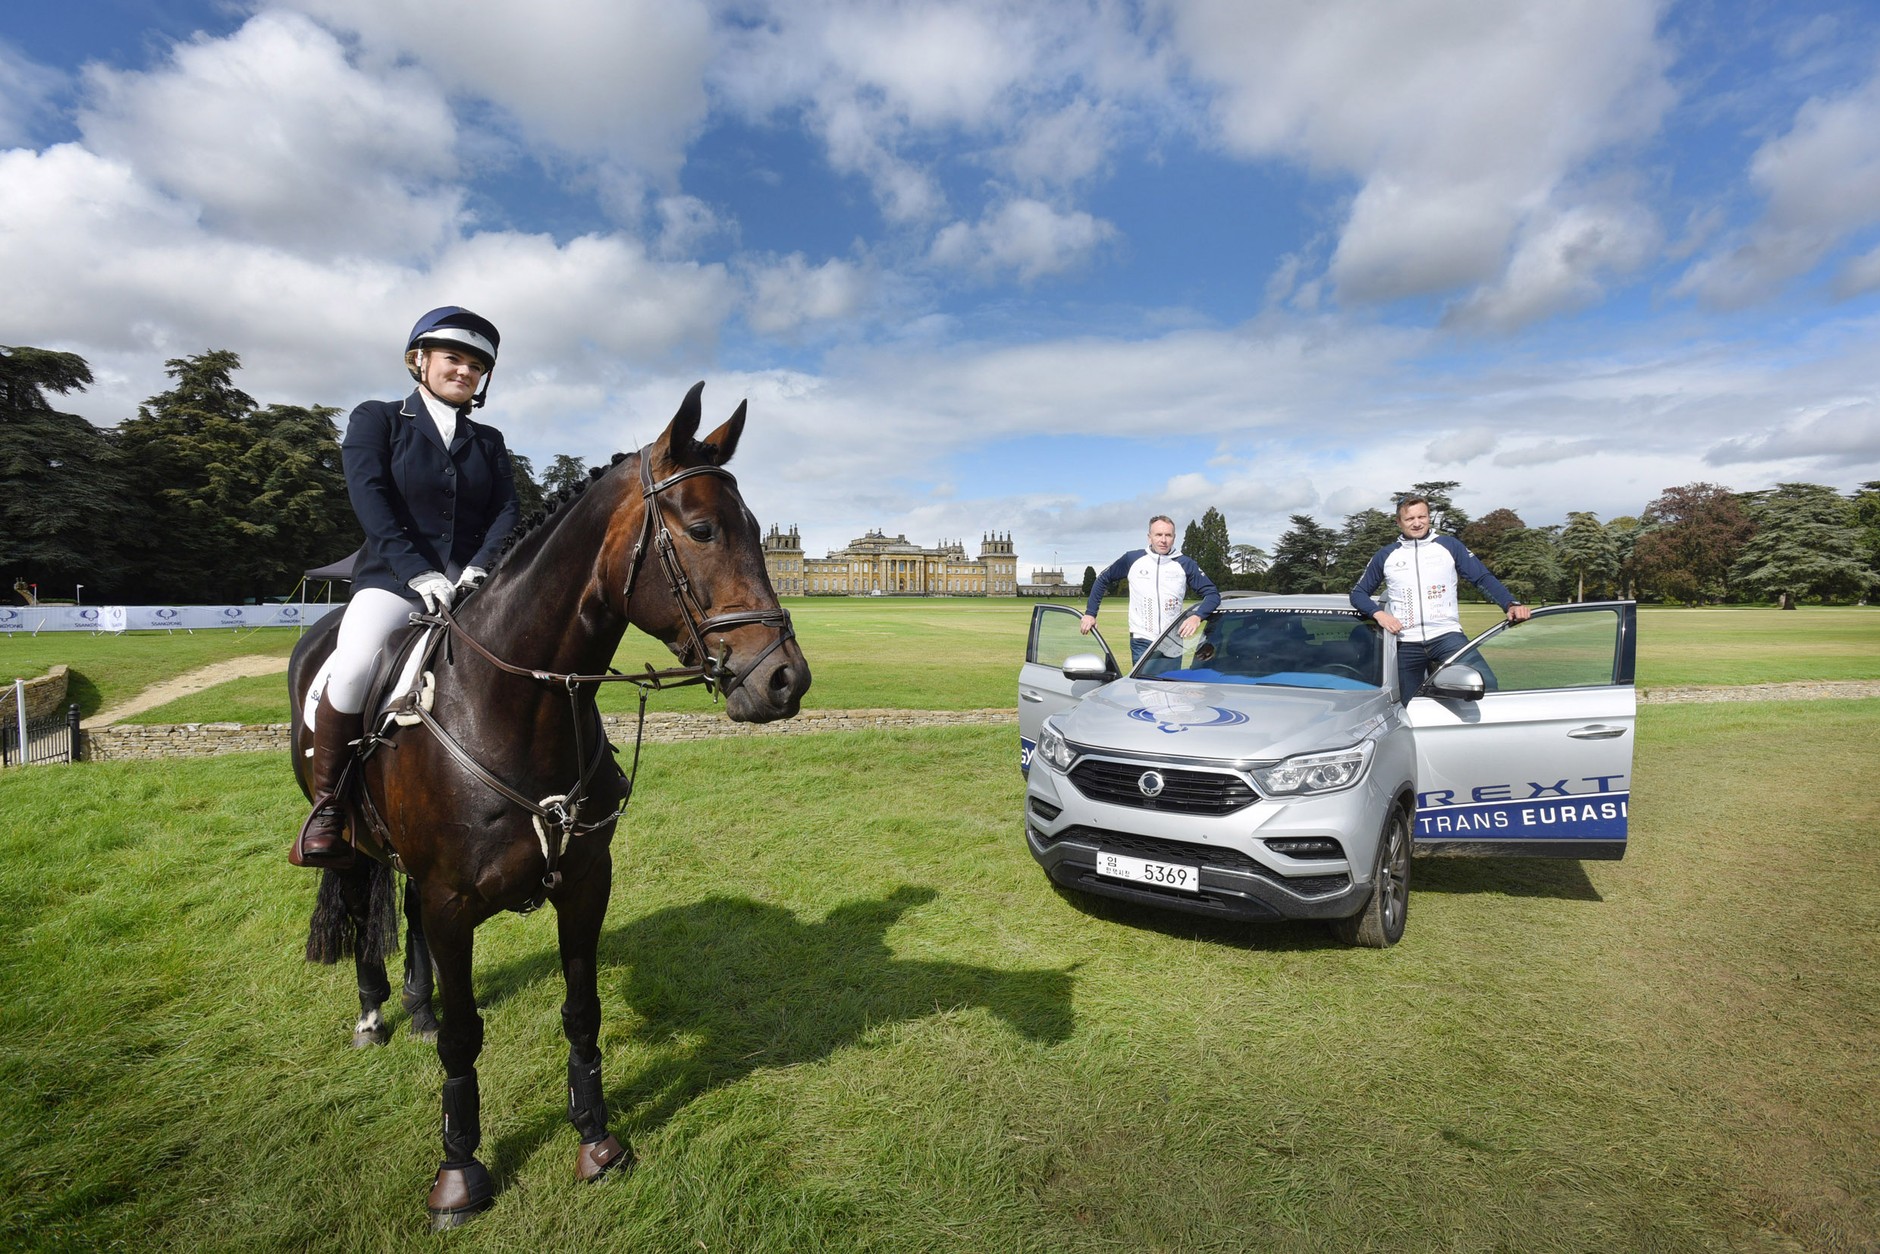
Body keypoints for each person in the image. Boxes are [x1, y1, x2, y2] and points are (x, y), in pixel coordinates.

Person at [294, 306, 520, 866]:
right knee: (353, 666)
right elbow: (371, 500)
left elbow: (506, 511)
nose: (465, 372)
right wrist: (417, 570)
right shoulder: (378, 419)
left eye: (476, 365)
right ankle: (328, 807)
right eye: (453, 359)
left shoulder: (487, 440)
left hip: (470, 587)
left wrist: (478, 568)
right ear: (419, 361)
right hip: (394, 582)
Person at [1349, 495, 1530, 702]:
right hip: (1405, 642)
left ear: (1429, 517)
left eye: (1422, 517)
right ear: (1398, 522)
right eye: (1409, 519)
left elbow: (1481, 577)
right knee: (1409, 705)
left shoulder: (1449, 546)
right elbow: (1358, 593)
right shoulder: (1386, 555)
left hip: (1446, 636)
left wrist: (1510, 603)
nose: (1417, 523)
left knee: (1487, 686)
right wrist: (1380, 615)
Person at [1081, 515, 1221, 674]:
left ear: (1174, 538)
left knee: (1170, 691)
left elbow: (1212, 594)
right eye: (1158, 535)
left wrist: (1198, 616)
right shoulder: (1132, 559)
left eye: (1168, 535)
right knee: (1144, 691)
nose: (1163, 540)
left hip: (1173, 641)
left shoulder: (1185, 563)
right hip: (1142, 640)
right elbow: (1102, 579)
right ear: (1149, 537)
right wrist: (1090, 613)